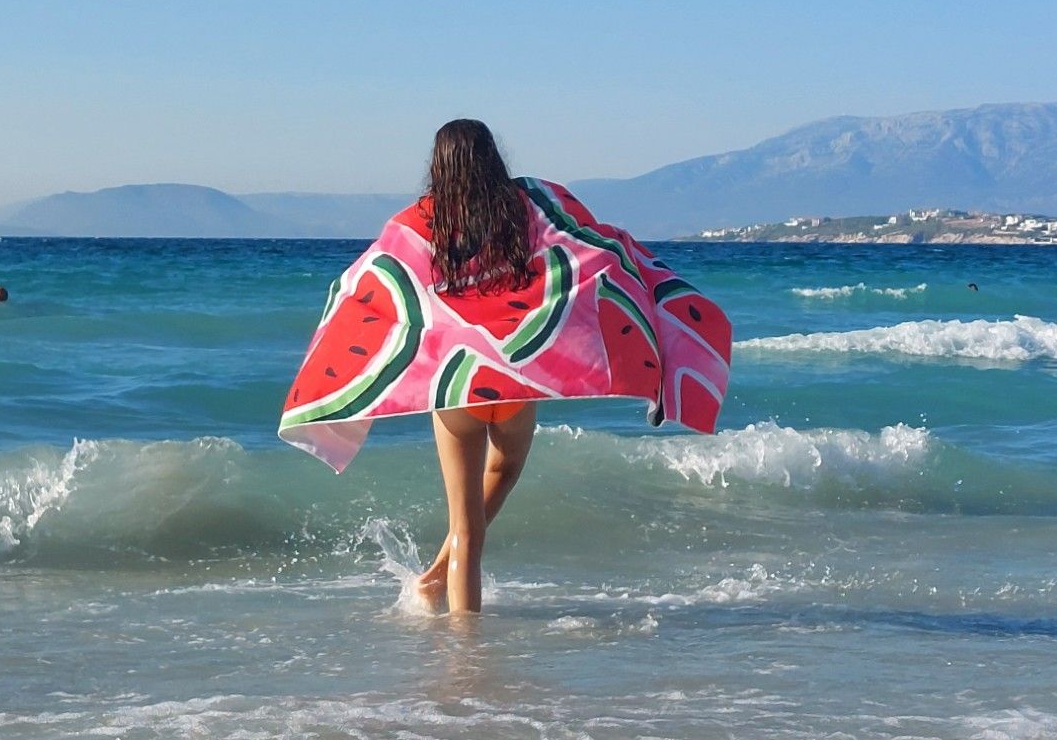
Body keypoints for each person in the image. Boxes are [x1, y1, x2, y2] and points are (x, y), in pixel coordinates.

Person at [278, 119, 733, 615]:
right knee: (506, 467)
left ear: (439, 164)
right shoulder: (529, 206)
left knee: (467, 530)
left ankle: (463, 651)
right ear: (493, 156)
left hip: (456, 384)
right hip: (516, 378)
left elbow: (370, 281)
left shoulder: (420, 222)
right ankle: (435, 584)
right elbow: (589, 245)